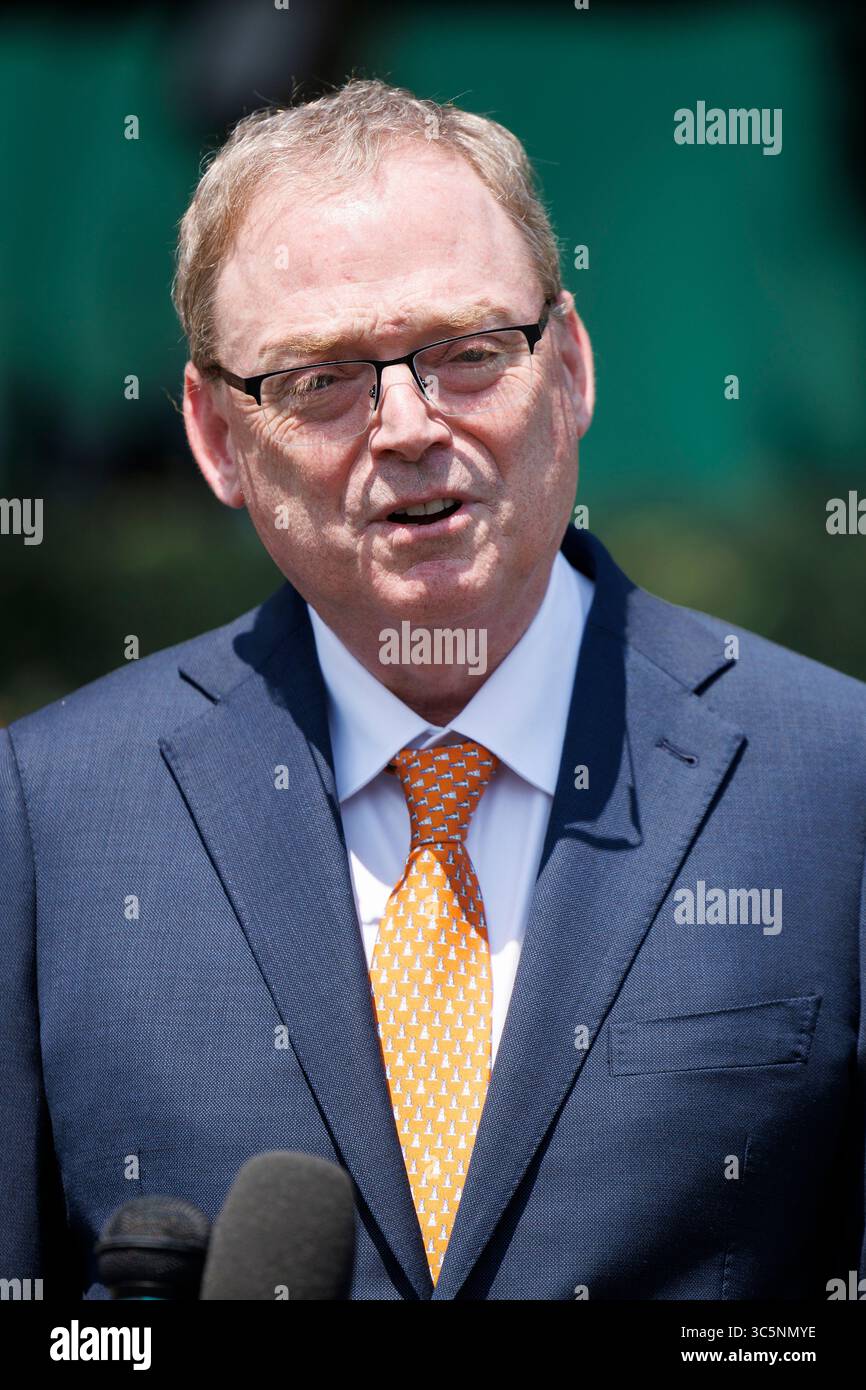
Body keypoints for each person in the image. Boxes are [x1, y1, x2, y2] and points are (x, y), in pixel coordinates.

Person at [1, 78, 864, 1301]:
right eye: (321, 381)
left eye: (465, 354)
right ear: (213, 438)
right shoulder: (47, 819)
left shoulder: (832, 780)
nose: (406, 427)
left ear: (566, 366)